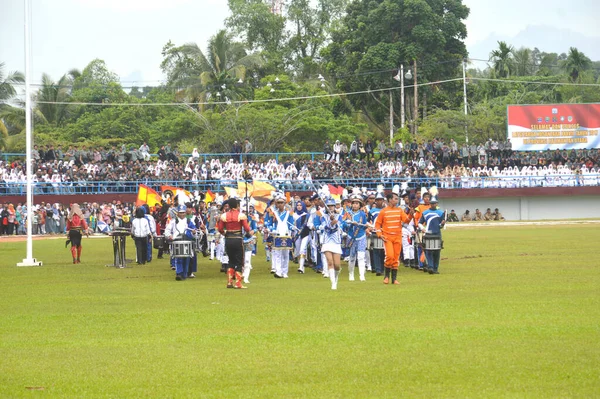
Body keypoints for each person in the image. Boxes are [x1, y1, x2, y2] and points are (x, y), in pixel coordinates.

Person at [375, 192, 413, 285]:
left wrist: (411, 215)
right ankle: (386, 276)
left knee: (396, 257)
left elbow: (406, 221)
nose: (397, 200)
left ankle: (394, 279)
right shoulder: (383, 211)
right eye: (395, 198)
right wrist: (379, 234)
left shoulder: (399, 210)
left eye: (397, 198)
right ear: (389, 200)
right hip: (387, 237)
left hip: (398, 237)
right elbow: (377, 224)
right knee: (390, 256)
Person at [217, 198, 254, 289]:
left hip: (228, 239)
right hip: (238, 239)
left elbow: (220, 229)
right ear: (237, 205)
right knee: (239, 261)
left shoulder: (224, 216)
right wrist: (250, 232)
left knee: (231, 260)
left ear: (228, 206)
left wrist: (225, 234)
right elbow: (246, 228)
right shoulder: (241, 215)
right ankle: (238, 283)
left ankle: (229, 282)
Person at [315, 197, 346, 290]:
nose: (331, 207)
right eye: (329, 206)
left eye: (332, 206)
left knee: (337, 265)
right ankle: (333, 283)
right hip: (327, 241)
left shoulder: (339, 216)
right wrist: (331, 222)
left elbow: (338, 228)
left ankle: (335, 279)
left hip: (336, 241)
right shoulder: (323, 217)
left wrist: (334, 222)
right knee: (330, 262)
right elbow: (326, 229)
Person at [265, 193, 294, 279]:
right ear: (276, 203)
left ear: (284, 203)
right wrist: (271, 229)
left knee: (285, 254)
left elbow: (291, 224)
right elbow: (269, 223)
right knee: (277, 254)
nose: (280, 204)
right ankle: (278, 271)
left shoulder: (289, 213)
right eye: (278, 203)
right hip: (277, 235)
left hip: (286, 235)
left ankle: (285, 272)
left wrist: (291, 230)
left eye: (282, 202)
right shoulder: (273, 213)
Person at [165, 204, 196, 281]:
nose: (182, 214)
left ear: (185, 213)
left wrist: (194, 232)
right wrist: (169, 236)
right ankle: (179, 273)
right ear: (177, 213)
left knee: (186, 258)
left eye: (183, 212)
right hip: (177, 241)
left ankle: (184, 274)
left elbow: (194, 231)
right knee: (178, 258)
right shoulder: (173, 221)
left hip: (187, 241)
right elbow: (167, 230)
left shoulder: (189, 221)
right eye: (180, 212)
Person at [344, 193, 368, 281]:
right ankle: (351, 274)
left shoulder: (362, 214)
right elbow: (343, 225)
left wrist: (366, 225)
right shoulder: (347, 213)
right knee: (352, 257)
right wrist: (349, 223)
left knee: (361, 256)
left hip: (361, 236)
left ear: (360, 205)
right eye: (354, 203)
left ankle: (362, 275)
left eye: (357, 203)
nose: (355, 205)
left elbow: (364, 225)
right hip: (351, 237)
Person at [418, 196, 445, 274]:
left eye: (434, 203)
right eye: (432, 203)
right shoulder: (425, 213)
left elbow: (441, 225)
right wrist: (423, 228)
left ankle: (435, 268)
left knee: (437, 252)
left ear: (437, 203)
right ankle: (430, 267)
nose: (433, 204)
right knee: (428, 251)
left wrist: (442, 224)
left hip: (437, 234)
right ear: (430, 204)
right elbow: (420, 223)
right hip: (428, 234)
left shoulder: (440, 213)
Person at [368, 191, 385, 276]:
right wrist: (370, 226)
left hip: (384, 232)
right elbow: (367, 221)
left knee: (383, 252)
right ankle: (378, 269)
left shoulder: (386, 210)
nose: (379, 202)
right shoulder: (372, 211)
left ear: (383, 201)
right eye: (377, 200)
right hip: (375, 232)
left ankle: (382, 268)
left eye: (380, 200)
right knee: (376, 251)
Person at [292, 200, 311, 274]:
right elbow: (291, 224)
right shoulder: (293, 215)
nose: (299, 207)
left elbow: (309, 224)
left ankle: (301, 267)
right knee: (298, 249)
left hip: (305, 234)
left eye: (300, 205)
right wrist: (292, 227)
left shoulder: (307, 215)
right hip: (297, 234)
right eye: (298, 205)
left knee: (302, 249)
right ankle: (301, 266)